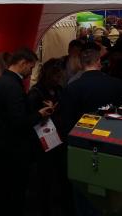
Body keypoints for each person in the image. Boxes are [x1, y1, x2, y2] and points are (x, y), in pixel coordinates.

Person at [0, 48, 54, 216]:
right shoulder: (12, 85)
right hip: (14, 150)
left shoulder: (2, 80)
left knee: (4, 192)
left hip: (3, 146)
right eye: (30, 67)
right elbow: (18, 121)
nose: (31, 72)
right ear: (22, 63)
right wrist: (39, 114)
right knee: (14, 193)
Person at [28, 58, 73, 216]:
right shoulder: (36, 92)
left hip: (59, 138)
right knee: (44, 179)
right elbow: (29, 119)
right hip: (42, 142)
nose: (57, 78)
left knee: (60, 176)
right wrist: (44, 113)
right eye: (55, 75)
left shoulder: (59, 90)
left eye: (59, 75)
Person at [60, 45, 122, 135]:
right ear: (99, 61)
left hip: (84, 136)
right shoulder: (117, 83)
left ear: (80, 64)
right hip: (112, 134)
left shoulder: (72, 87)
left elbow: (67, 121)